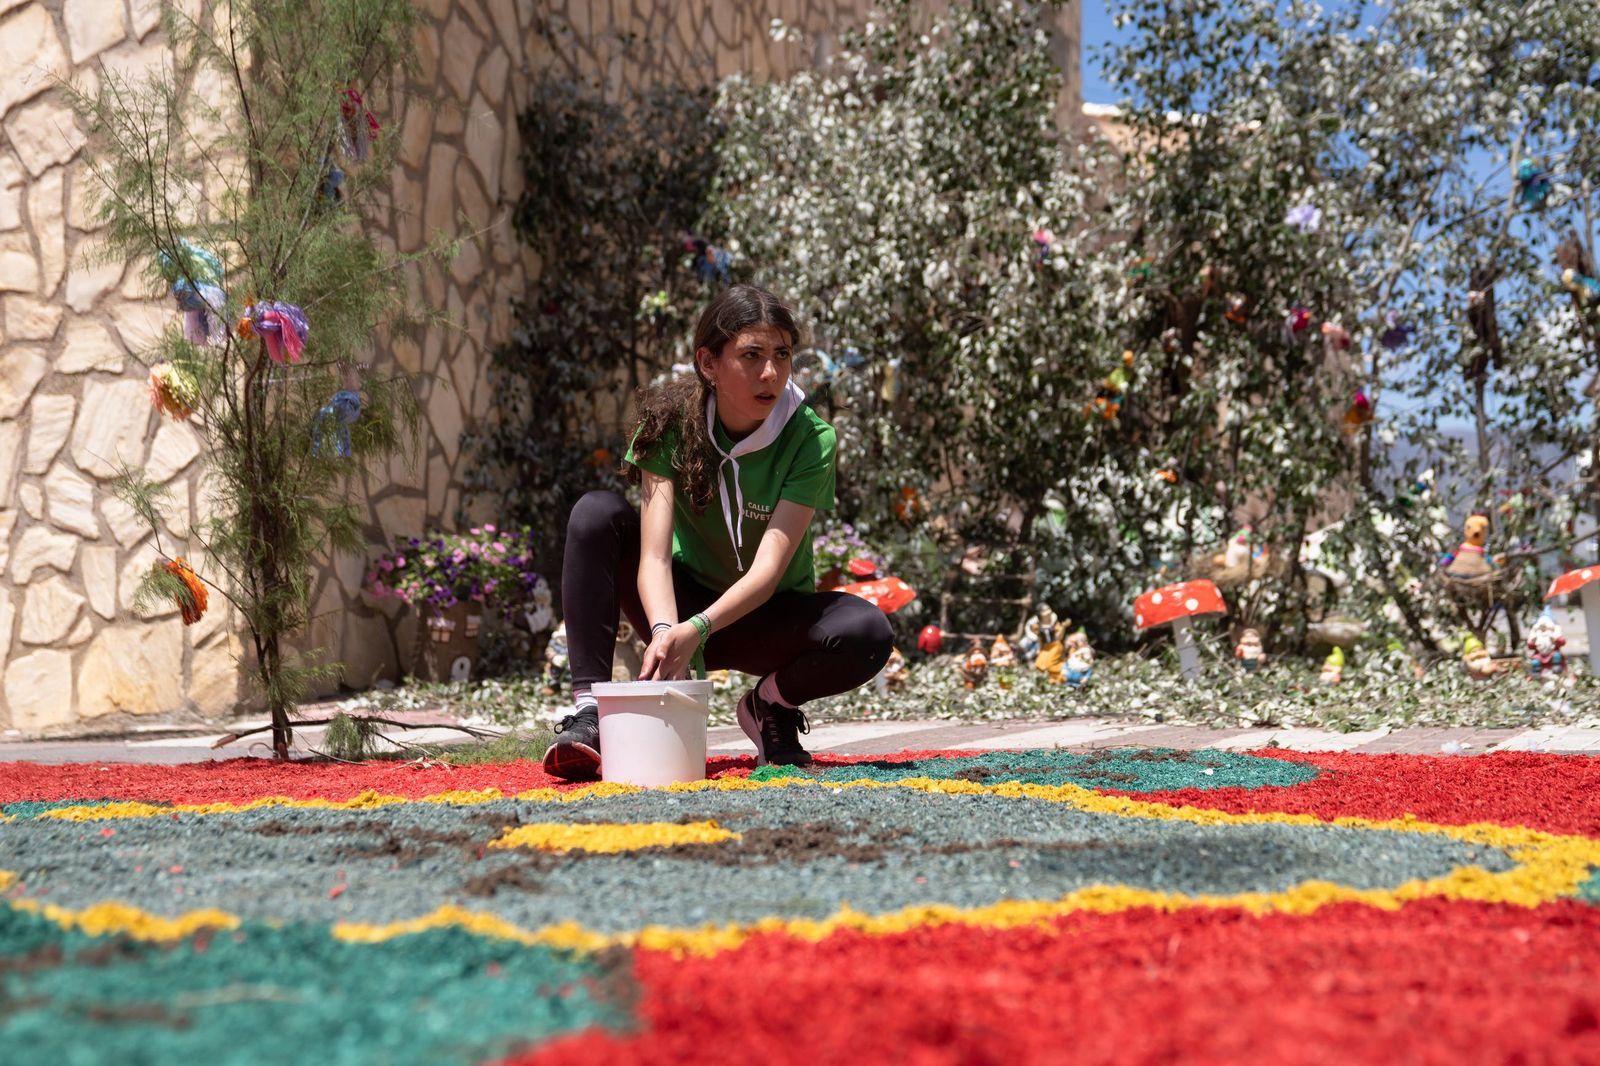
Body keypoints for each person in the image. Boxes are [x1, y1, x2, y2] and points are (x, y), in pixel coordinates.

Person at [544, 285, 894, 780]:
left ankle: (770, 706)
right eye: (751, 355)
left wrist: (699, 630)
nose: (770, 373)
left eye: (782, 354)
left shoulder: (812, 438)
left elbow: (769, 571)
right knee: (595, 513)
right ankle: (590, 714)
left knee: (868, 632)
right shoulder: (666, 425)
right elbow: (655, 557)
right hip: (679, 604)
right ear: (708, 363)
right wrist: (668, 630)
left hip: (761, 616)